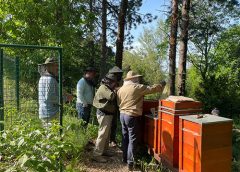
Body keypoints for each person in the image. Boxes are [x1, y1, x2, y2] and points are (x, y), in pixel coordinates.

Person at [117, 70, 166, 171]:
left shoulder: (121, 89)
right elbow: (152, 89)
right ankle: (130, 163)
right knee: (132, 139)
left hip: (122, 115)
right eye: (137, 78)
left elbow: (119, 102)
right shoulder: (137, 87)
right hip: (132, 116)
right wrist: (161, 85)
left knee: (125, 137)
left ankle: (124, 158)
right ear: (133, 79)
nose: (139, 79)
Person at [92, 73, 118, 163]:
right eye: (114, 82)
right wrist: (116, 91)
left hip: (107, 114)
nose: (115, 84)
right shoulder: (103, 88)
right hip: (104, 114)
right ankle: (96, 154)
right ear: (110, 82)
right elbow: (111, 96)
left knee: (106, 134)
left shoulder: (107, 87)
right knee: (103, 134)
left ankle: (104, 150)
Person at [38, 57, 72, 125]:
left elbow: (53, 91)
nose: (57, 68)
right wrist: (66, 99)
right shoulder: (50, 79)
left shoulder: (43, 77)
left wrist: (65, 93)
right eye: (55, 65)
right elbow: (50, 97)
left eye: (57, 65)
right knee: (52, 135)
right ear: (48, 67)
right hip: (50, 114)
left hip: (46, 112)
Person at [108, 66, 123, 147]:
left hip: (117, 104)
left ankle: (112, 139)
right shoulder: (107, 80)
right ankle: (107, 139)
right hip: (109, 104)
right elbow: (107, 90)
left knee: (114, 123)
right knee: (107, 123)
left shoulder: (119, 81)